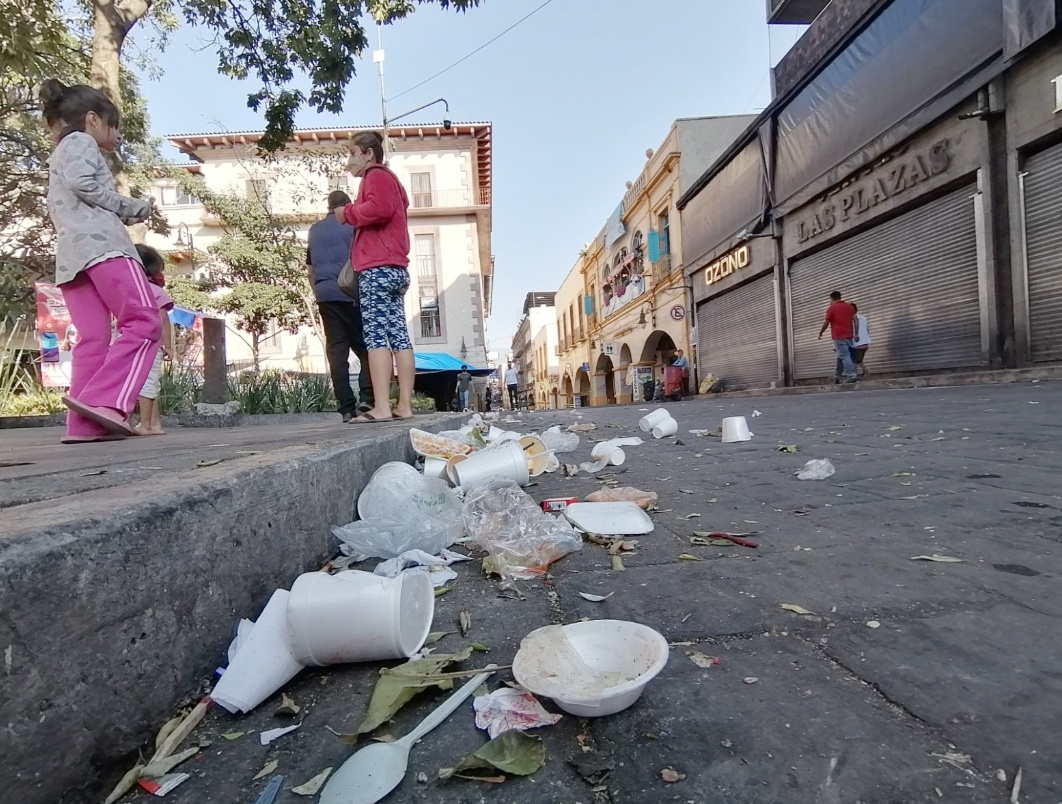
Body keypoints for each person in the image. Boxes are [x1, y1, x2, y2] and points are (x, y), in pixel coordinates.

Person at [40, 79, 159, 443]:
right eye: (113, 126)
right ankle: (106, 401)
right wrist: (129, 206)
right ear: (92, 120)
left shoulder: (58, 155)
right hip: (106, 249)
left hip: (72, 258)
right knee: (144, 321)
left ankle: (84, 424)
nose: (117, 135)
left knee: (92, 338)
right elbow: (85, 184)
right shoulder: (80, 142)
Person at [335, 131, 414, 423]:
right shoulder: (391, 181)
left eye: (353, 153)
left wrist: (349, 212)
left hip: (376, 268)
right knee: (400, 337)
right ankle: (404, 405)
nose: (349, 161)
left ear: (368, 153)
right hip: (395, 267)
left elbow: (377, 209)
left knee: (376, 335)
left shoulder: (376, 177)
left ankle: (381, 406)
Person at [308, 189, 372, 422]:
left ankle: (345, 408)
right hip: (351, 294)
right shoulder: (353, 226)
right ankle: (367, 398)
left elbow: (310, 269)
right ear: (348, 206)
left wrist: (319, 291)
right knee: (366, 349)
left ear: (328, 206)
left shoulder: (314, 230)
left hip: (326, 296)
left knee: (337, 353)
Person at [133, 245, 175, 435]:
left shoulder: (138, 290)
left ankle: (146, 425)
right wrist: (168, 346)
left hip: (144, 343)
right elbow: (164, 320)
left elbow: (162, 319)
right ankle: (154, 424)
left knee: (143, 383)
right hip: (154, 343)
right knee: (151, 384)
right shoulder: (155, 291)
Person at [818, 290, 858, 383]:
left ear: (832, 298)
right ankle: (837, 376)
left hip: (839, 336)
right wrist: (856, 332)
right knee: (841, 355)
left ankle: (852, 375)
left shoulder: (832, 308)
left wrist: (821, 332)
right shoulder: (849, 307)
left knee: (845, 355)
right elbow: (855, 320)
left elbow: (827, 322)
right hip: (849, 335)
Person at [852, 303, 872, 377]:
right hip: (865, 343)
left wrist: (856, 335)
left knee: (854, 359)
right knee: (858, 360)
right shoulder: (863, 317)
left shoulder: (853, 317)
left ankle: (855, 375)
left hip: (858, 343)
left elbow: (856, 324)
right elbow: (867, 329)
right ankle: (864, 372)